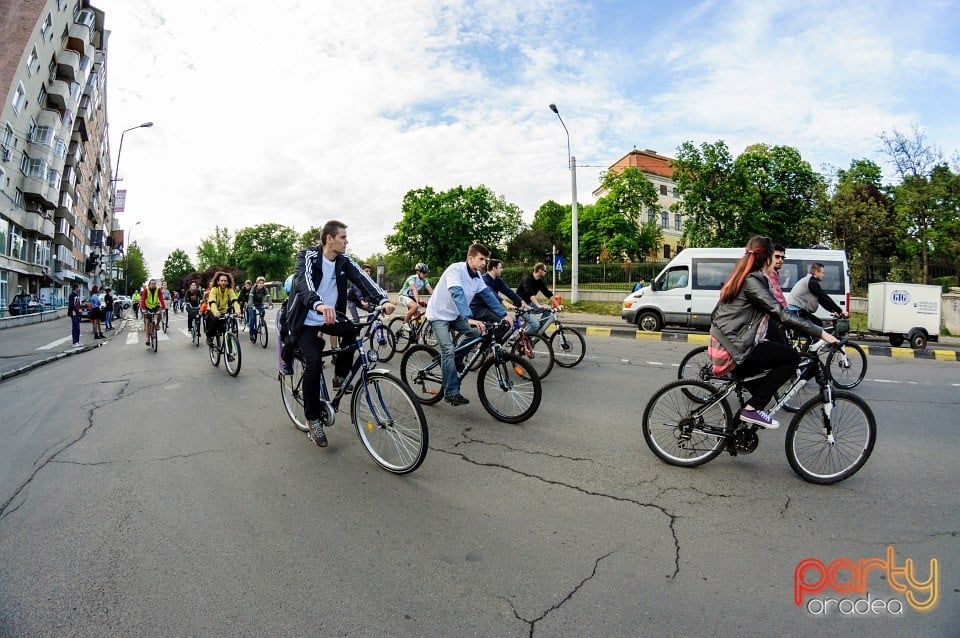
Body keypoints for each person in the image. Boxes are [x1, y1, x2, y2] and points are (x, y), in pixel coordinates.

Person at [710, 236, 838, 430]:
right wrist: (822, 333)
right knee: (791, 358)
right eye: (775, 257)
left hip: (726, 347)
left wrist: (757, 336)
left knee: (762, 387)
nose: (779, 262)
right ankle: (751, 410)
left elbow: (719, 315)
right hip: (732, 352)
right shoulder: (752, 282)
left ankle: (735, 433)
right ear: (767, 259)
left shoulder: (743, 276)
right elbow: (780, 314)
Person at [286, 220, 394, 447]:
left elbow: (364, 281)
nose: (347, 241)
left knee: (354, 332)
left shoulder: (344, 261)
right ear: (329, 239)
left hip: (331, 316)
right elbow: (304, 282)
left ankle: (339, 376)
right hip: (307, 318)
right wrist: (317, 304)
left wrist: (382, 300)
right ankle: (313, 419)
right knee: (314, 362)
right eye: (343, 237)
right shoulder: (307, 256)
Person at [426, 243, 506, 407]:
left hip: (455, 314)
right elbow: (457, 293)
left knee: (477, 334)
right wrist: (469, 317)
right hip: (439, 314)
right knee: (447, 349)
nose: (484, 263)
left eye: (486, 259)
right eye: (481, 259)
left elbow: (488, 296)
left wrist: (504, 314)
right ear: (471, 258)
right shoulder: (456, 270)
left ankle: (456, 359)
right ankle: (451, 392)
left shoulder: (477, 277)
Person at [786, 262, 847, 327]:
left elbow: (821, 300)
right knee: (817, 324)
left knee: (817, 324)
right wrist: (840, 310)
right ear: (816, 272)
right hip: (795, 310)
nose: (823, 275)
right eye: (822, 273)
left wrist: (833, 310)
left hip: (796, 309)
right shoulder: (812, 282)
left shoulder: (809, 280)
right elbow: (824, 297)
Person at [470, 258, 531, 323]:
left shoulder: (498, 280)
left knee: (506, 321)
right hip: (478, 309)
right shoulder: (483, 280)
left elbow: (509, 291)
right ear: (494, 268)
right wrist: (504, 302)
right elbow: (490, 293)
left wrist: (522, 302)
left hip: (489, 308)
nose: (502, 270)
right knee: (502, 322)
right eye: (500, 267)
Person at [516, 262, 555, 334]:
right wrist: (539, 305)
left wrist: (557, 305)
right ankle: (521, 341)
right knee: (535, 325)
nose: (546, 272)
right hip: (521, 306)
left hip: (530, 304)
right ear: (540, 270)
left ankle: (540, 332)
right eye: (545, 271)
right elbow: (530, 294)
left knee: (548, 309)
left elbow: (547, 293)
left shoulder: (539, 281)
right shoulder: (527, 279)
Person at [205, 272, 242, 347]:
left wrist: (238, 311)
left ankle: (230, 353)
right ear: (218, 282)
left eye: (225, 281)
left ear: (228, 282)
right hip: (212, 310)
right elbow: (212, 302)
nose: (223, 282)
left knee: (226, 331)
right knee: (214, 321)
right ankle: (209, 337)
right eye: (221, 280)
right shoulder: (214, 290)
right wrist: (215, 311)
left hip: (224, 311)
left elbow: (234, 300)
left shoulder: (229, 290)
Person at [140, 279, 166, 346]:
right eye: (152, 283)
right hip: (147, 306)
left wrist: (163, 307)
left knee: (159, 314)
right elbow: (143, 299)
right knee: (147, 322)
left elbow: (161, 298)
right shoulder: (146, 290)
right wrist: (143, 308)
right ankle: (148, 339)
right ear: (149, 284)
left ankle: (157, 324)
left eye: (154, 283)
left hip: (155, 305)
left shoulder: (158, 289)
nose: (153, 285)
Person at [247, 276, 268, 341]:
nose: (261, 284)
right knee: (253, 318)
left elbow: (268, 296)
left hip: (259, 304)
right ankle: (251, 333)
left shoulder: (264, 288)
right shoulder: (253, 288)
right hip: (252, 304)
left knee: (263, 311)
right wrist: (252, 305)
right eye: (260, 283)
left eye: (262, 283)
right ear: (257, 283)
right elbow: (250, 297)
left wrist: (270, 304)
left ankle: (261, 323)